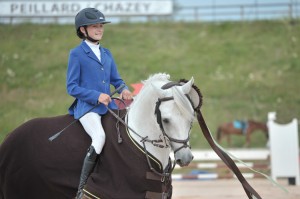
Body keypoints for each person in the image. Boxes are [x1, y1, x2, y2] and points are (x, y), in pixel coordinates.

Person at [66, 7, 132, 198]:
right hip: (88, 108)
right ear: (83, 30)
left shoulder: (107, 53)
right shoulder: (76, 54)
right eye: (94, 26)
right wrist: (96, 96)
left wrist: (124, 90)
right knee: (100, 138)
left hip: (109, 107)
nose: (99, 29)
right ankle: (82, 189)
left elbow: (116, 80)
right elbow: (72, 87)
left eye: (101, 26)